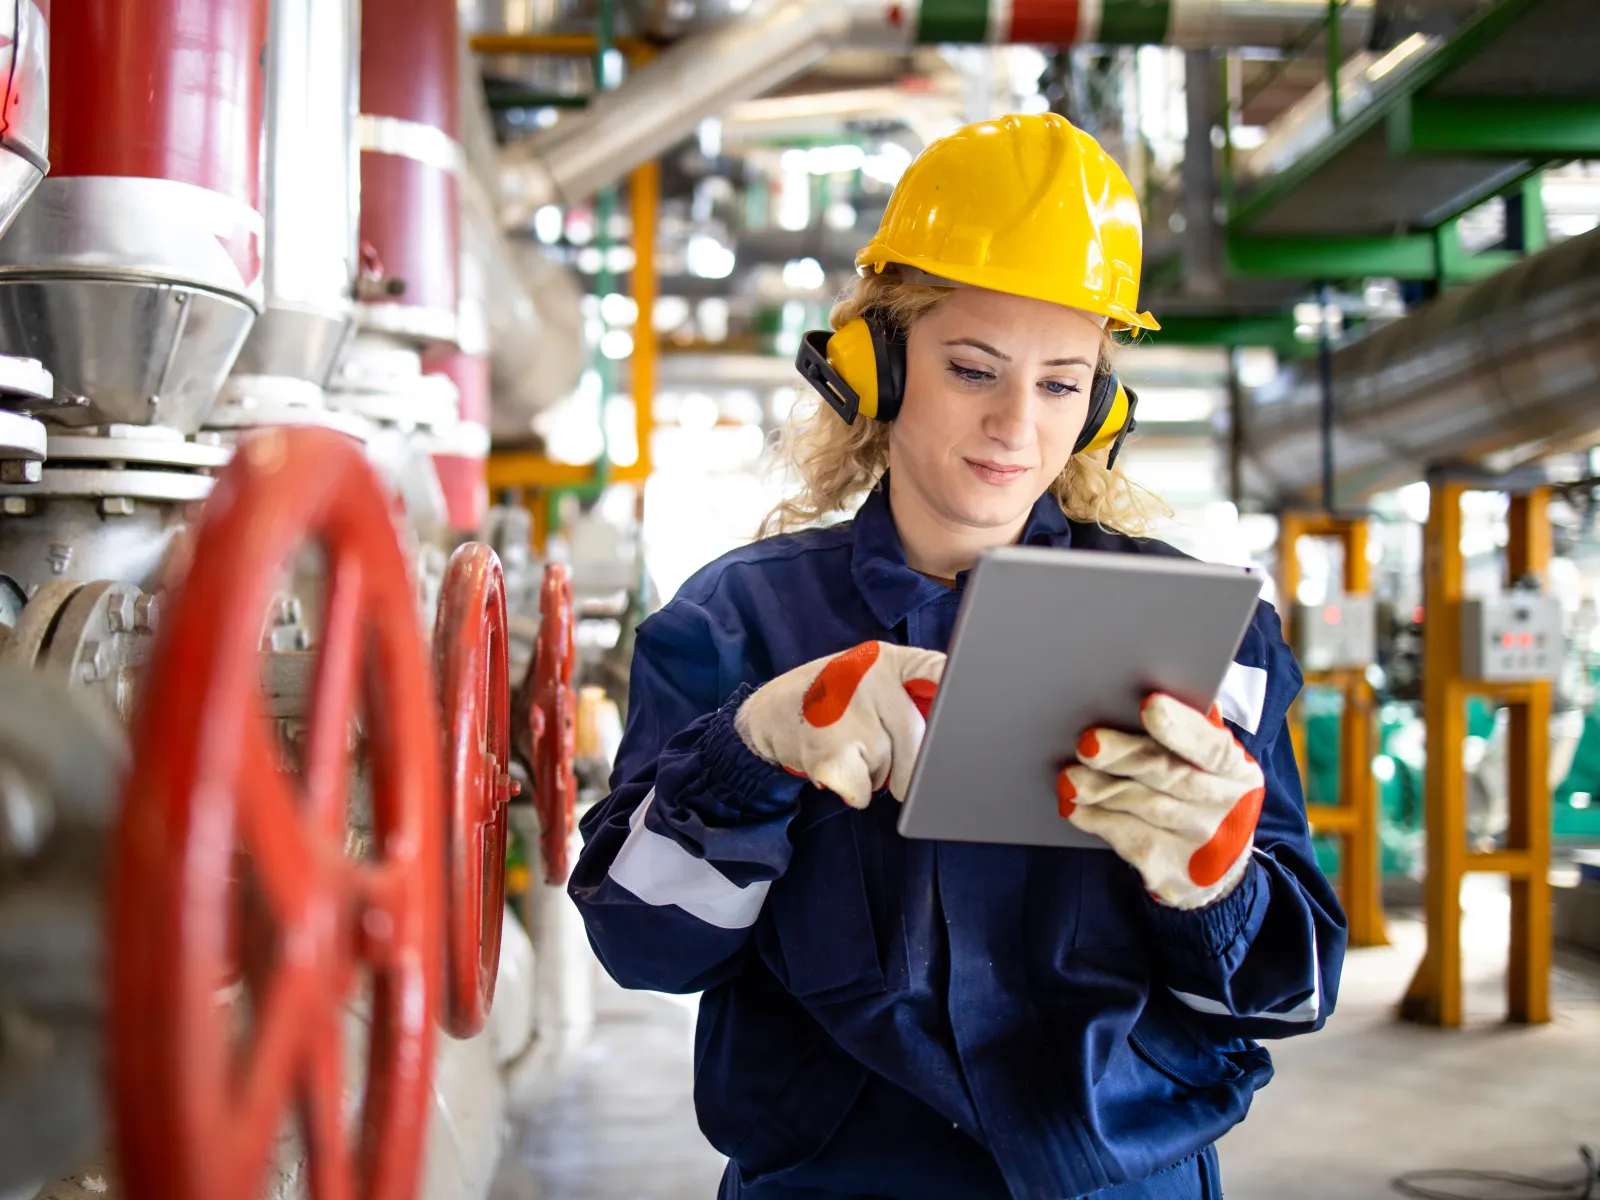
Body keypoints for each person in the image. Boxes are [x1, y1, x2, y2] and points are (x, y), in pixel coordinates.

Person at [569, 113, 1346, 1200]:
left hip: (1122, 1182)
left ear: (1100, 404)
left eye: (1062, 384)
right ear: (877, 365)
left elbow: (1283, 1000)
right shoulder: (737, 623)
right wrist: (754, 752)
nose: (1015, 428)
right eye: (973, 369)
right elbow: (645, 950)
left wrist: (1211, 885)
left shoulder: (1204, 639)